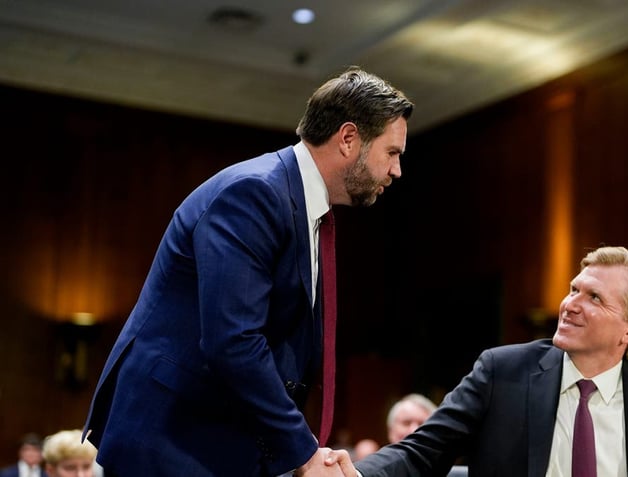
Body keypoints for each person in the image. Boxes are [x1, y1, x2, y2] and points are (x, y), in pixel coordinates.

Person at [81, 67, 414, 477]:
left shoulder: (299, 204)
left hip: (214, 443)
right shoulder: (254, 193)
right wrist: (305, 456)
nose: (397, 170)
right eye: (392, 153)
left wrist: (302, 452)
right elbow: (233, 341)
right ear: (348, 139)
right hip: (172, 446)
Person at [327, 245, 628, 476]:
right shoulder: (502, 372)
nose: (569, 305)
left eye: (594, 298)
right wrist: (356, 474)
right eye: (574, 290)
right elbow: (421, 451)